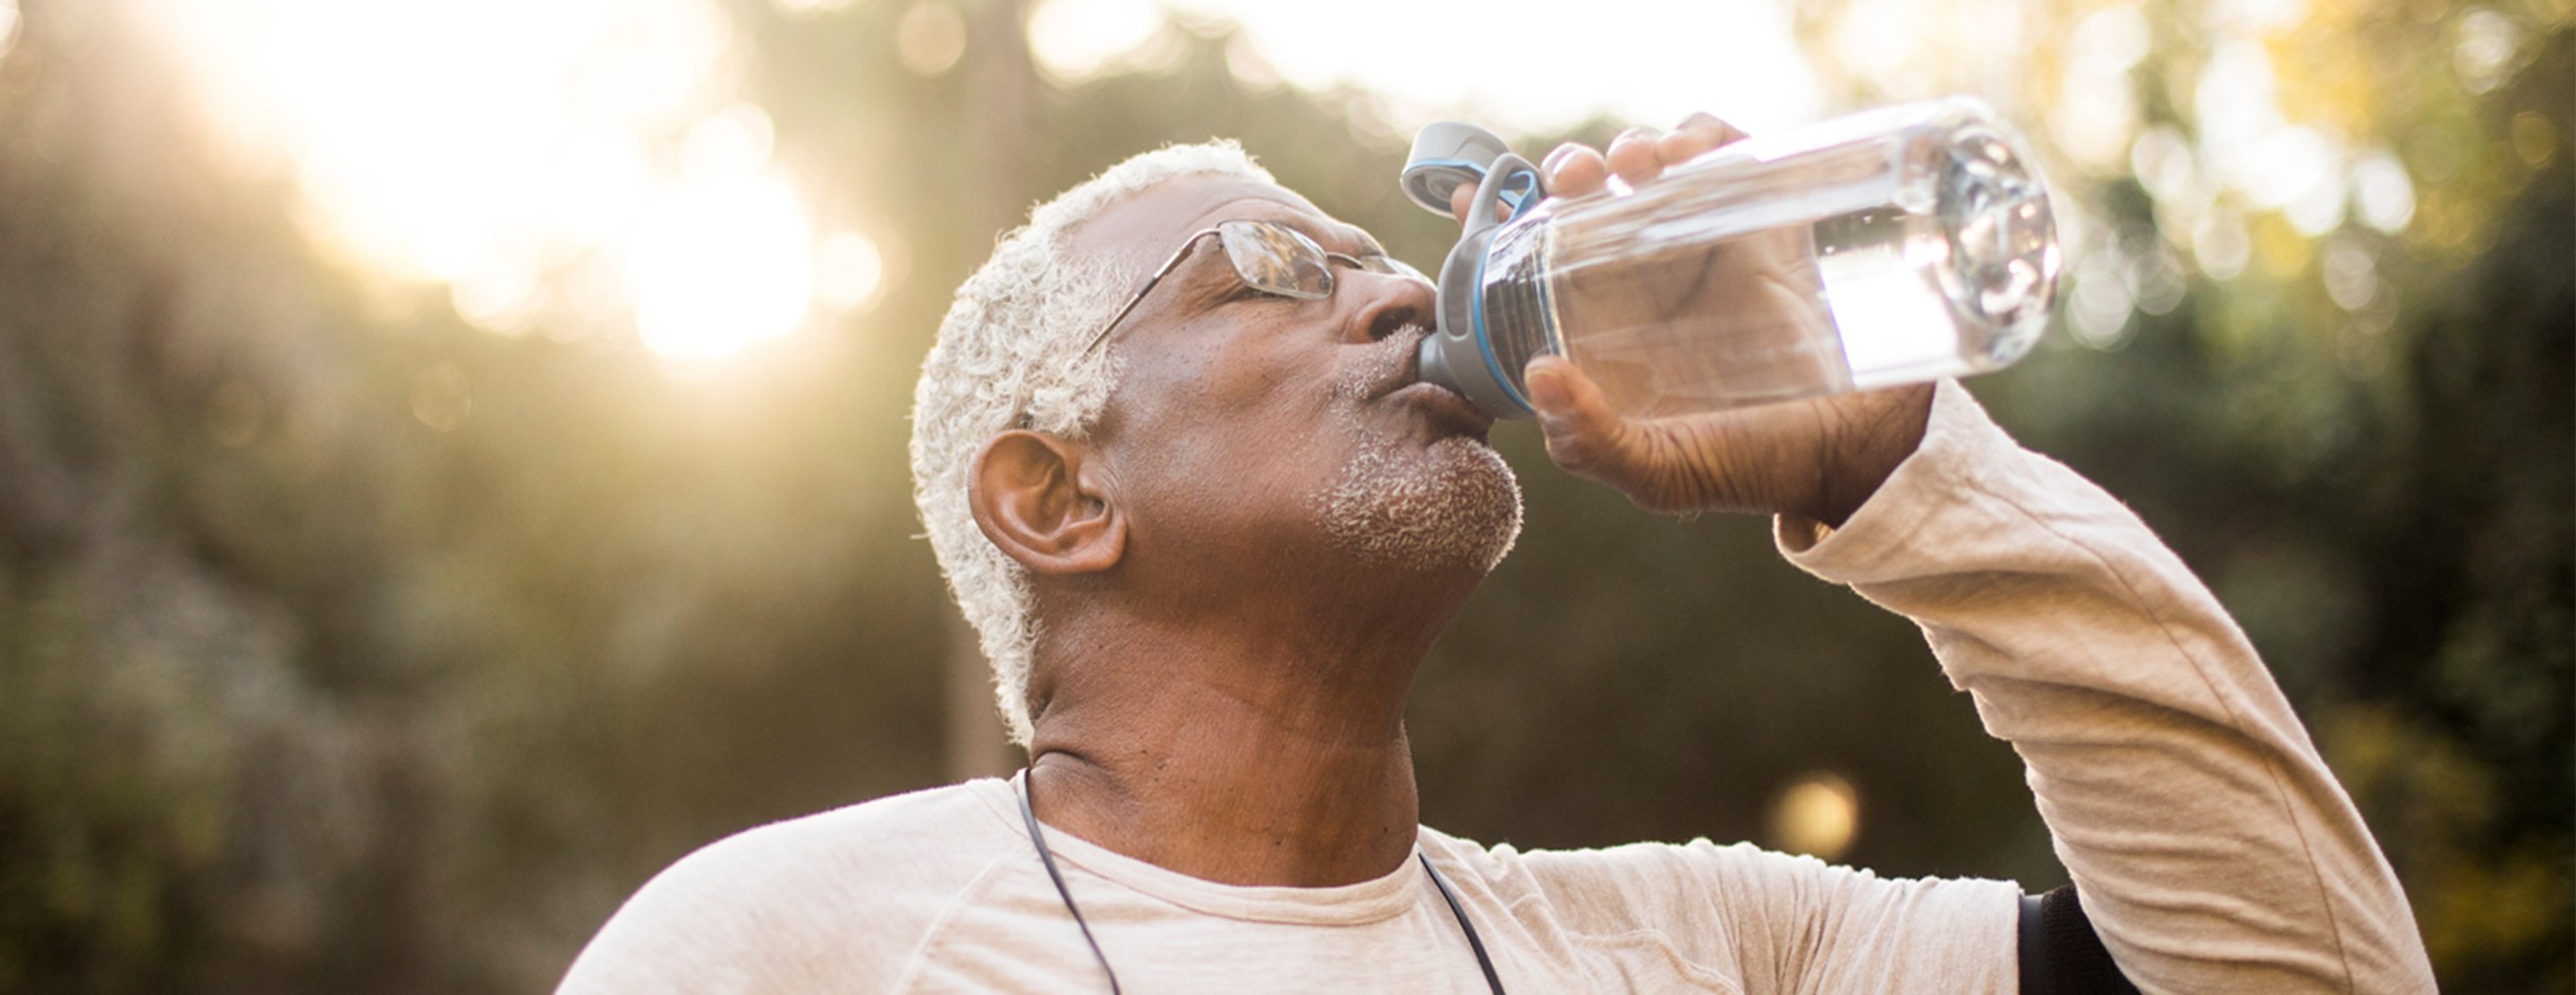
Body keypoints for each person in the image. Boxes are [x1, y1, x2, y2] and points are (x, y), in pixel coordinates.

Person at [556, 115, 2436, 993]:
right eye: (1276, 270)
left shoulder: (1700, 949)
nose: (1391, 292)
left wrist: (1904, 469)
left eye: (1378, 250)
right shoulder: (786, 950)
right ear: (1058, 497)